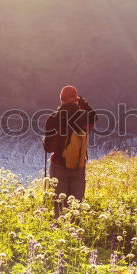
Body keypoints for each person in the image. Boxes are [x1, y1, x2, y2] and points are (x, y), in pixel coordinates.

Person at [43, 85, 96, 217]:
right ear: (75, 99)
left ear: (61, 99)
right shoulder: (84, 117)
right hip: (78, 165)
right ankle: (74, 233)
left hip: (59, 165)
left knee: (59, 206)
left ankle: (60, 232)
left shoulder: (53, 118)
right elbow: (94, 117)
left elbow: (49, 148)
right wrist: (83, 103)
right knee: (75, 205)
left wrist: (44, 141)